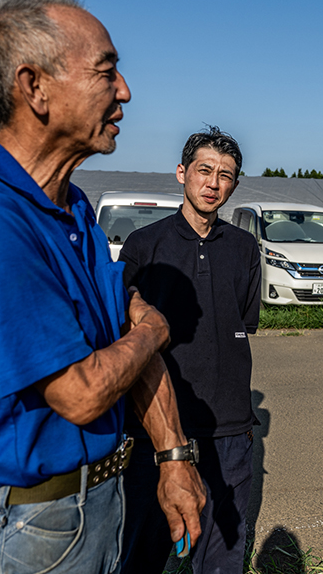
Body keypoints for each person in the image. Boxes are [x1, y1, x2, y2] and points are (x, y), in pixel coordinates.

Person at [0, 0, 206, 574]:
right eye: (106, 71)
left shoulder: (71, 207)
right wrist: (153, 331)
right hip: (21, 529)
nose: (125, 91)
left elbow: (122, 327)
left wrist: (173, 455)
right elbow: (82, 391)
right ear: (35, 87)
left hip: (93, 506)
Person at [119, 128, 261, 573]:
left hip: (228, 430)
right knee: (138, 557)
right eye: (204, 170)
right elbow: (126, 332)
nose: (213, 183)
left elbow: (242, 322)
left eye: (225, 175)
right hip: (154, 430)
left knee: (221, 560)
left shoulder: (244, 247)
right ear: (182, 173)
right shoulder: (144, 245)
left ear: (234, 185)